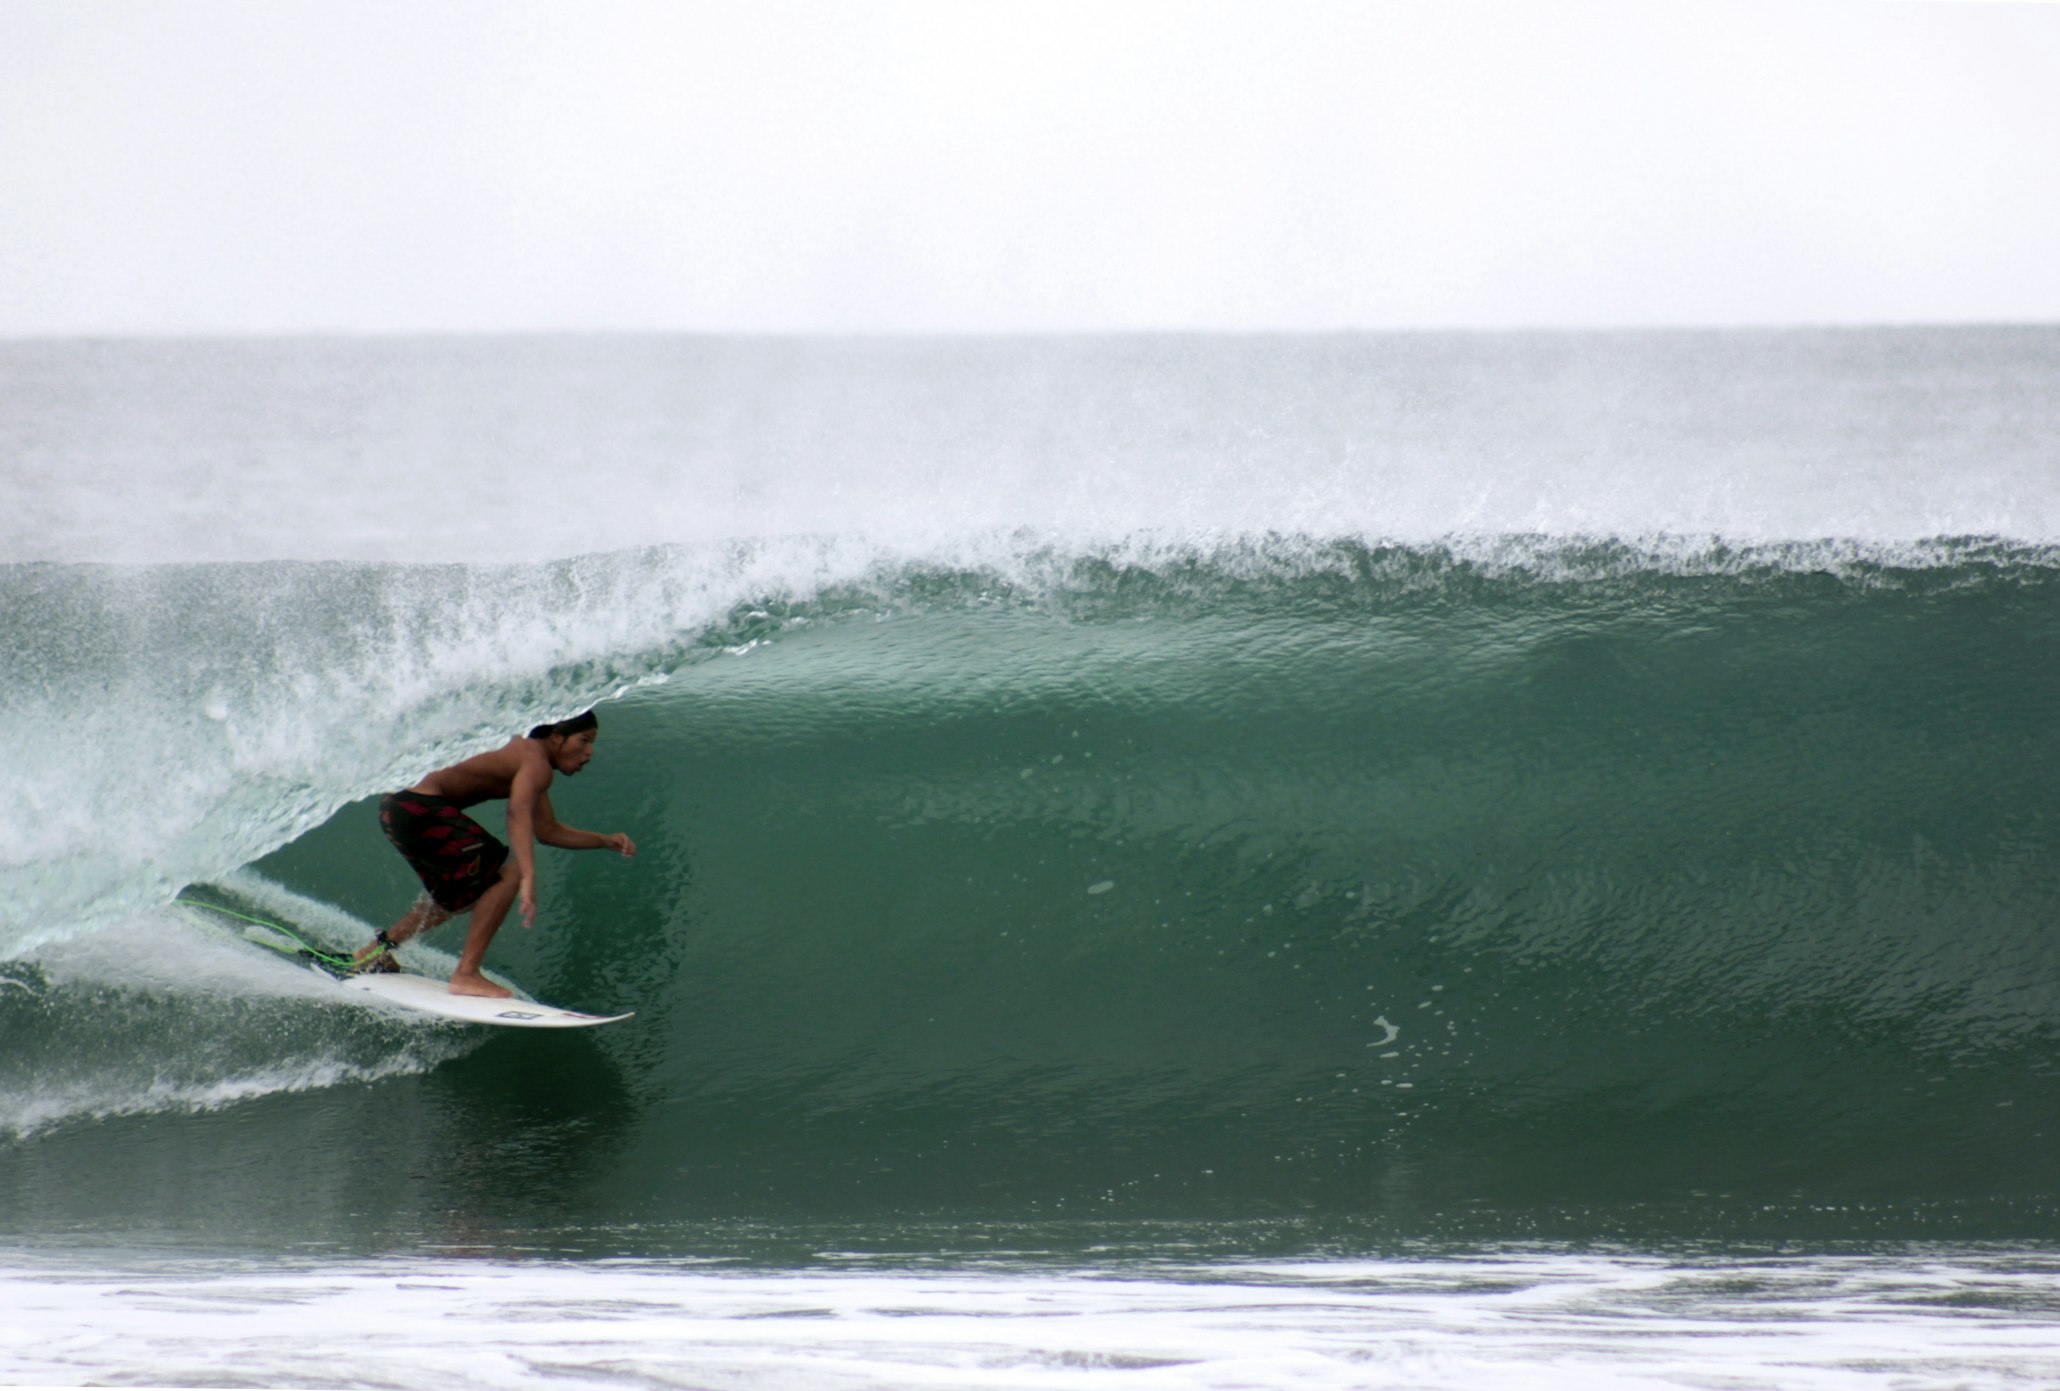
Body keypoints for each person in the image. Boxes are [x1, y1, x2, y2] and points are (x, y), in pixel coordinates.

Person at [355, 710, 637, 997]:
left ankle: (375, 952)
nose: (589, 752)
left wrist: (605, 841)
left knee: (458, 896)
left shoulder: (527, 760)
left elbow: (547, 830)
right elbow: (517, 813)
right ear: (556, 737)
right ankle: (466, 974)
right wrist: (527, 874)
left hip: (398, 807)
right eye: (584, 740)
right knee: (508, 872)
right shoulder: (535, 762)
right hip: (418, 806)